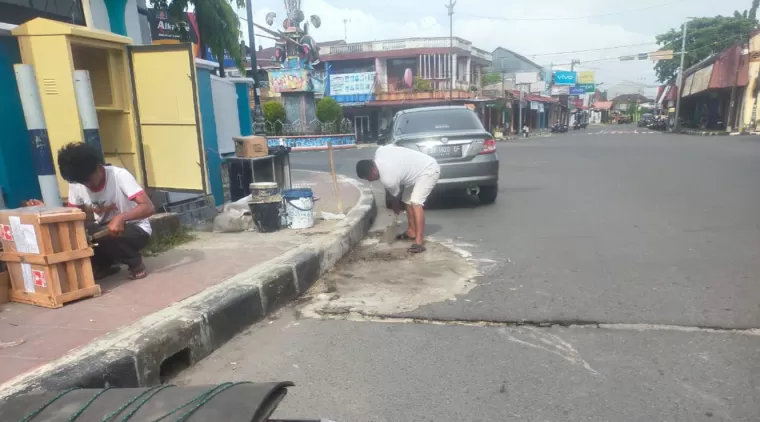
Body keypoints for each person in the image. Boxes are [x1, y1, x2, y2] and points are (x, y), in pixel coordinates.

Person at [25, 143, 155, 280]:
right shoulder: (76, 183)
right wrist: (47, 210)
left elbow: (148, 207)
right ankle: (103, 265)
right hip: (102, 229)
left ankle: (135, 264)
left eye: (89, 179)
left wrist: (121, 218)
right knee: (77, 233)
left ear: (99, 167)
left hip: (136, 230)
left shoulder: (119, 176)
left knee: (108, 234)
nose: (87, 185)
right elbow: (73, 216)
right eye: (82, 182)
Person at [356, 144, 440, 253]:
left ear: (373, 171)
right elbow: (393, 145)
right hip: (416, 171)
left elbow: (395, 196)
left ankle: (419, 242)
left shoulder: (388, 178)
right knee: (406, 201)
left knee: (415, 202)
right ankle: (411, 232)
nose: (369, 181)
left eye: (368, 178)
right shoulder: (380, 151)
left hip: (428, 169)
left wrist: (396, 207)